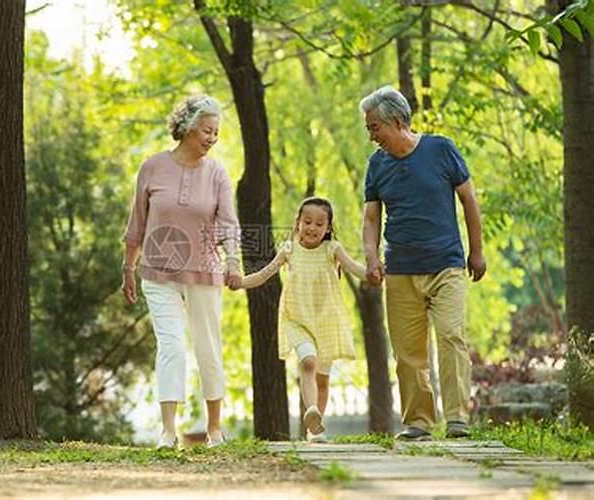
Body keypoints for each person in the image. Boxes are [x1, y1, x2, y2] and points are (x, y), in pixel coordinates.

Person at [360, 85, 486, 440]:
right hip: (400, 269)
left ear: (397, 121)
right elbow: (371, 219)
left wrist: (476, 251)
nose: (372, 136)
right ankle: (418, 422)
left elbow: (469, 200)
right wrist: (372, 258)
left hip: (446, 264)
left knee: (451, 336)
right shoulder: (377, 164)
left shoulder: (441, 149)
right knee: (408, 351)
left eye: (374, 127)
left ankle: (458, 418)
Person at [121, 94, 242, 449]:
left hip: (204, 273)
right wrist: (128, 266)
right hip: (158, 274)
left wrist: (233, 262)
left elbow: (228, 224)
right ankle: (168, 431)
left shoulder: (217, 172)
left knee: (208, 348)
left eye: (216, 133)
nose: (212, 138)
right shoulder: (152, 167)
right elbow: (136, 224)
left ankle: (214, 429)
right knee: (171, 346)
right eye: (207, 130)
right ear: (187, 127)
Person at [229, 197, 366, 442]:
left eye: (319, 223)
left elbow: (355, 268)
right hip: (296, 319)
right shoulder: (289, 249)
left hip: (326, 321)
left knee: (323, 380)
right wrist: (240, 282)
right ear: (298, 222)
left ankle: (315, 429)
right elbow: (264, 274)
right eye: (307, 222)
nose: (312, 228)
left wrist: (374, 274)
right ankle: (311, 410)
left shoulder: (332, 249)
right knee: (308, 363)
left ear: (328, 227)